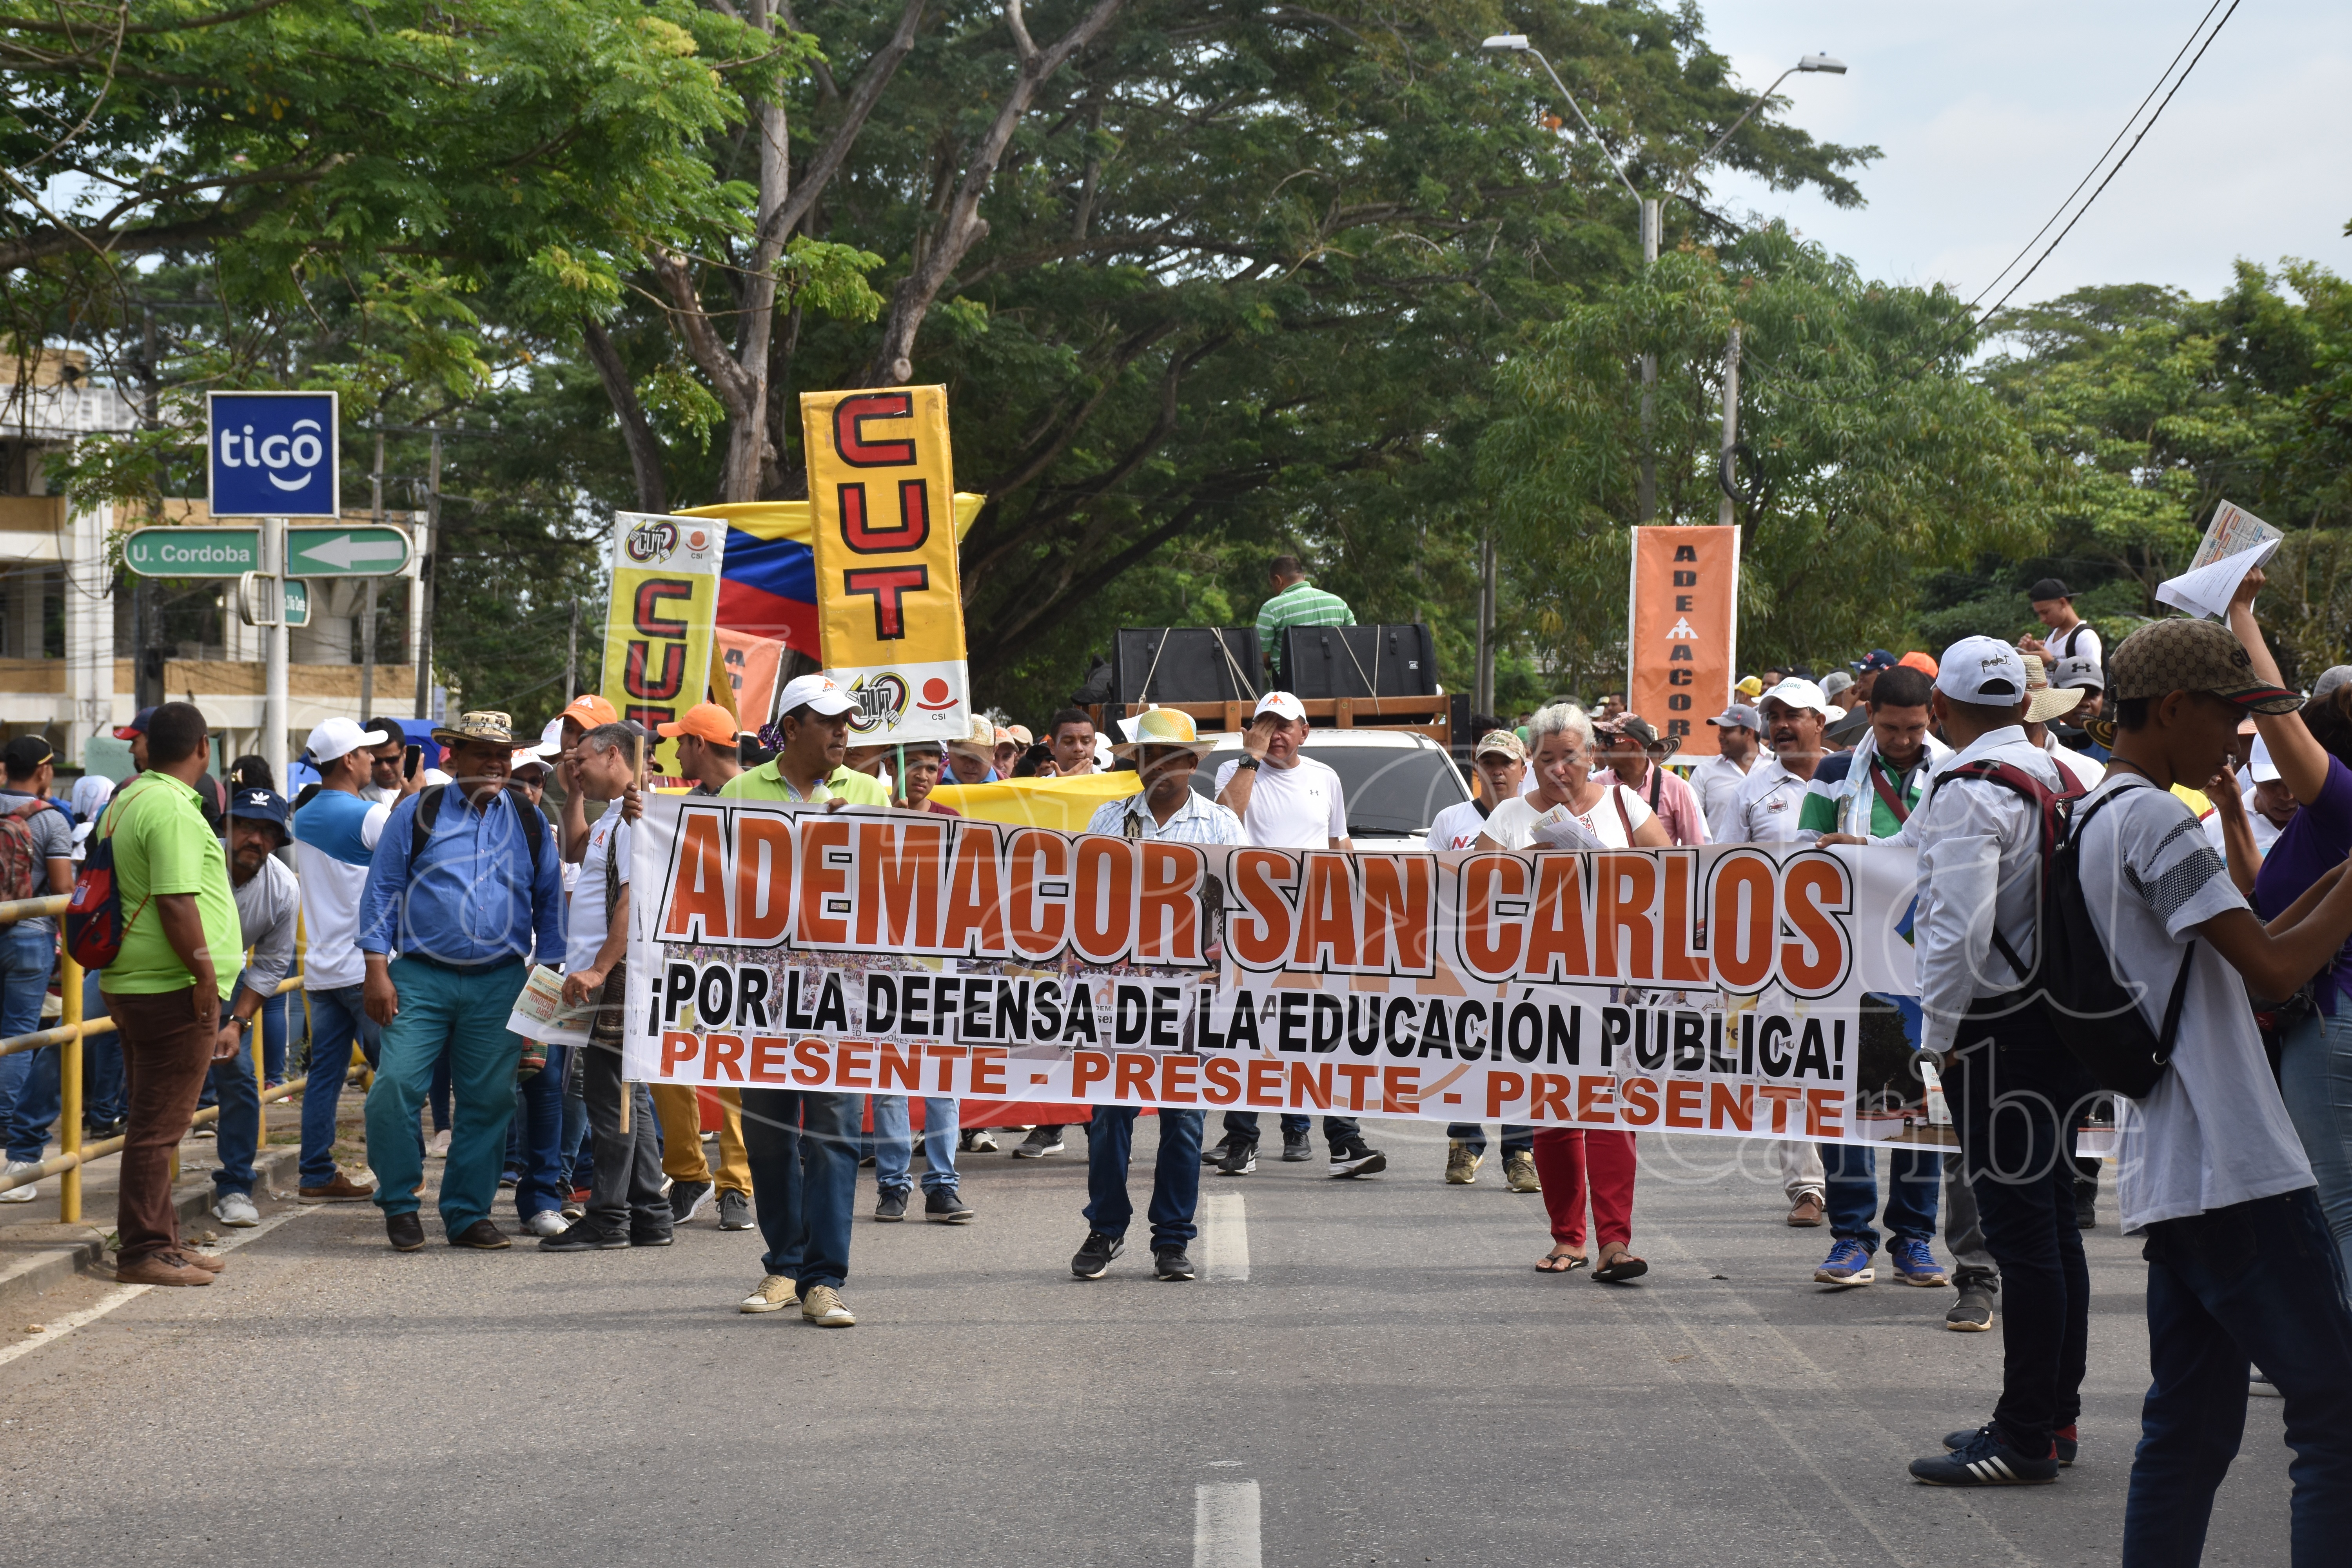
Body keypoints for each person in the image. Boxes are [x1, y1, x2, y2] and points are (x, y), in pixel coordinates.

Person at [2066, 617, 2352, 1555]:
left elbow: (2257, 929)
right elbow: (2272, 971)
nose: (2241, 736)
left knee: (2188, 1427)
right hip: (2238, 1166)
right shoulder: (2154, 817)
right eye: (2230, 714)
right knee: (2334, 1420)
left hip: (2174, 1166)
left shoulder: (2100, 814)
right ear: (2174, 706)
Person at [1896, 637, 2092, 1488]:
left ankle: (2023, 1437)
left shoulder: (1969, 789)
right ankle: (2055, 1413)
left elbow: (1957, 924)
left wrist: (1933, 1035)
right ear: (2023, 704)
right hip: (2070, 1026)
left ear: (1941, 711)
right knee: (2052, 1221)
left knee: (2022, 1234)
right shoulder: (2066, 776)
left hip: (1998, 1029)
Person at [358, 711, 564, 1252]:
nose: (496, 763)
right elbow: (382, 890)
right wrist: (376, 969)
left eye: (503, 754)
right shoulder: (418, 811)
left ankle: (468, 1215)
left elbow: (549, 904)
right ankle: (400, 1203)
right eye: (482, 753)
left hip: (501, 981)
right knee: (394, 1088)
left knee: (490, 1100)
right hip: (419, 976)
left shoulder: (528, 818)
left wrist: (548, 985)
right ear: (453, 757)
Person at [1470, 702, 1658, 1281]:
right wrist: (1533, 860)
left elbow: (1675, 871)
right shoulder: (1506, 816)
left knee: (1611, 1113)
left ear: (1592, 758)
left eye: (1569, 758)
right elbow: (1471, 892)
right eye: (1546, 759)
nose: (1558, 770)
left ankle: (1615, 1242)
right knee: (1554, 1115)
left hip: (1614, 987)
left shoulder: (1625, 807)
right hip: (1537, 990)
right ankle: (1567, 1236)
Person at [1797, 666, 1962, 1296]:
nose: (1901, 739)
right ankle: (1851, 1237)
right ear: (1869, 713)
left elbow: (1958, 853)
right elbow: (1803, 856)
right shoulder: (1836, 774)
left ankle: (1914, 1240)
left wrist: (1865, 844)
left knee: (1922, 1107)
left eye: (1914, 728)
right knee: (1850, 1108)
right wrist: (1836, 854)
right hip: (1854, 966)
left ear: (1934, 716)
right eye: (1890, 727)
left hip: (1928, 965)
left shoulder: (1953, 774)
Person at [1071, 708, 1242, 1281]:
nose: (1154, 768)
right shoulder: (1109, 818)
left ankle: (1172, 1239)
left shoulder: (1220, 827)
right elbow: (1083, 894)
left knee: (1184, 1121)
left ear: (1192, 764)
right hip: (1118, 997)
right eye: (1146, 757)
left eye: (1167, 758)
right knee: (1109, 1117)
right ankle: (1106, 1228)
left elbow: (1243, 911)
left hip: (1191, 999)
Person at [726, 676, 865, 1327]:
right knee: (772, 1136)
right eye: (829, 720)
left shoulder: (869, 793)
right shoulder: (739, 793)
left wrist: (859, 838)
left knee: (835, 1135)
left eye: (847, 721)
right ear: (793, 725)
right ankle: (784, 1264)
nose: (843, 731)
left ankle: (823, 1281)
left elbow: (893, 893)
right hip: (765, 999)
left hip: (842, 996)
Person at [2226, 570, 2352, 1283]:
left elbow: (2272, 707)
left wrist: (2242, 612)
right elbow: (2262, 892)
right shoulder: (2317, 824)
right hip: (2320, 1020)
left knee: (2340, 1206)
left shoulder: (2342, 804)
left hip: (2333, 1019)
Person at [93, 702, 241, 1286]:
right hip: (171, 990)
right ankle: (145, 1251)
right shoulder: (170, 808)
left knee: (154, 1123)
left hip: (138, 983)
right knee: (157, 1129)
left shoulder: (129, 798)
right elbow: (176, 902)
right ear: (203, 748)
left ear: (148, 748)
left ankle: (165, 1242)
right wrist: (206, 978)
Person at [1212, 691, 1385, 1178]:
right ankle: (1242, 1140)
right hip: (1253, 919)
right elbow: (1227, 823)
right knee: (1248, 1029)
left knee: (1327, 1030)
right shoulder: (1235, 771)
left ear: (1305, 731)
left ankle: (1344, 1141)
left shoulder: (1324, 778)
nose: (1276, 735)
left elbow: (1339, 842)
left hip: (1316, 921)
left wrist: (1357, 903)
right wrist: (1251, 756)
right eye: (1265, 725)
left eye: (1284, 726)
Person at [542, 723, 671, 1251]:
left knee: (609, 1098)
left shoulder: (639, 820)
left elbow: (633, 902)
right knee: (627, 1099)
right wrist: (574, 793)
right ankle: (650, 1212)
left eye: (583, 762)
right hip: (604, 975)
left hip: (617, 980)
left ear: (613, 754)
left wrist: (599, 970)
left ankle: (609, 1216)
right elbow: (573, 850)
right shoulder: (613, 819)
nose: (575, 770)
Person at [1721, 677, 1838, 1226]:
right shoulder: (1751, 790)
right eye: (1774, 716)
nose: (1782, 725)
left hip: (1855, 950)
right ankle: (1807, 1188)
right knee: (1788, 1064)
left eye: (1794, 715)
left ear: (1821, 722)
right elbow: (1723, 866)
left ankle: (1860, 1188)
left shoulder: (1851, 778)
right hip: (1777, 954)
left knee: (1856, 1063)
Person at [646, 702, 755, 1231]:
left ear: (701, 746)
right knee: (668, 1062)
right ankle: (689, 1173)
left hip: (749, 960)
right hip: (687, 957)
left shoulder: (763, 800)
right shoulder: (679, 809)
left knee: (734, 1072)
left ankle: (737, 1185)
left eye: (681, 742)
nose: (674, 751)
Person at [288, 717, 400, 1204]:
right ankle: (401, 1173)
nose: (374, 760)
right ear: (349, 760)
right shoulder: (371, 816)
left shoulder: (303, 817)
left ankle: (316, 1171)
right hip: (368, 969)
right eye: (367, 753)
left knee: (324, 1078)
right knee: (397, 1073)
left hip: (322, 969)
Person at [205, 788, 299, 1229]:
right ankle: (26, 1154)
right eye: (245, 825)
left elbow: (271, 965)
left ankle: (235, 1187)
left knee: (240, 1074)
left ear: (278, 840)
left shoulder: (283, 887)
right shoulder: (199, 860)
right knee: (72, 1038)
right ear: (227, 828)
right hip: (160, 969)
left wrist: (236, 1023)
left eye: (266, 831)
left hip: (226, 979)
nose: (254, 839)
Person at [498, 744, 571, 1237]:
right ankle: (472, 1198)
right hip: (492, 974)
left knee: (546, 1088)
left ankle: (542, 1197)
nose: (530, 788)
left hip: (543, 973)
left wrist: (548, 971)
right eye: (521, 778)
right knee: (488, 1088)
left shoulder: (544, 833)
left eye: (538, 781)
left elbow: (554, 906)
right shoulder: (479, 828)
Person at [0, 736, 74, 1200]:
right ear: (45, 770)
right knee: (22, 1034)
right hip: (31, 935)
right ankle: (10, 1124)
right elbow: (65, 888)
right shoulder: (51, 819)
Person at [1594, 714, 1706, 846]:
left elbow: (1694, 847)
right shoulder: (1598, 785)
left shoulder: (1674, 787)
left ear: (1633, 746)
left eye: (1609, 741)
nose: (1602, 747)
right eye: (1601, 739)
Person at [1427, 725, 1524, 851]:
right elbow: (1433, 869)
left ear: (1523, 772)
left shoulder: (1537, 821)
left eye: (1507, 763)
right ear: (1477, 771)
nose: (1497, 772)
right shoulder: (1448, 819)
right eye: (1488, 763)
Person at [1254, 553, 1353, 671]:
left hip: (1289, 687)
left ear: (1278, 580)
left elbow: (1260, 658)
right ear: (1304, 578)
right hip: (1335, 685)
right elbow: (1354, 644)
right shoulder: (1339, 603)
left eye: (1272, 585)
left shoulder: (1272, 608)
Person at [1693, 704, 1760, 840]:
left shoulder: (1777, 765)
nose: (1720, 736)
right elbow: (1692, 823)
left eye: (1728, 731)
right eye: (1720, 730)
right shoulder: (1704, 771)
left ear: (1749, 733)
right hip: (1717, 860)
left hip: (1771, 860)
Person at [2016, 577, 2102, 670]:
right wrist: (2029, 656)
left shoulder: (2085, 638)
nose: (2042, 619)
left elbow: (2092, 680)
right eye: (2039, 614)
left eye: (2045, 612)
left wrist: (2052, 663)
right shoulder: (2051, 636)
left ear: (2062, 603)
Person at [1031, 707, 1099, 781]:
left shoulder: (1111, 785)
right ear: (1052, 746)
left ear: (1094, 745)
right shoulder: (1038, 789)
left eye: (1086, 742)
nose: (1079, 748)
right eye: (1069, 742)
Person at [898, 742, 958, 815]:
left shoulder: (950, 817)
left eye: (932, 769)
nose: (923, 777)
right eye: (914, 765)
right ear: (890, 766)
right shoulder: (880, 812)